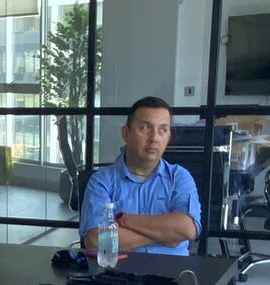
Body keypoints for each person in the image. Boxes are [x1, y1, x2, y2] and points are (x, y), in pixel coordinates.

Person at [79, 96, 201, 257]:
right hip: (118, 274)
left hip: (172, 274)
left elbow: (187, 229)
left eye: (162, 130)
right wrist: (167, 235)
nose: (154, 138)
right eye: (145, 128)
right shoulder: (102, 181)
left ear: (169, 136)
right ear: (126, 133)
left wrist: (125, 220)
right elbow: (97, 241)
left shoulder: (179, 177)